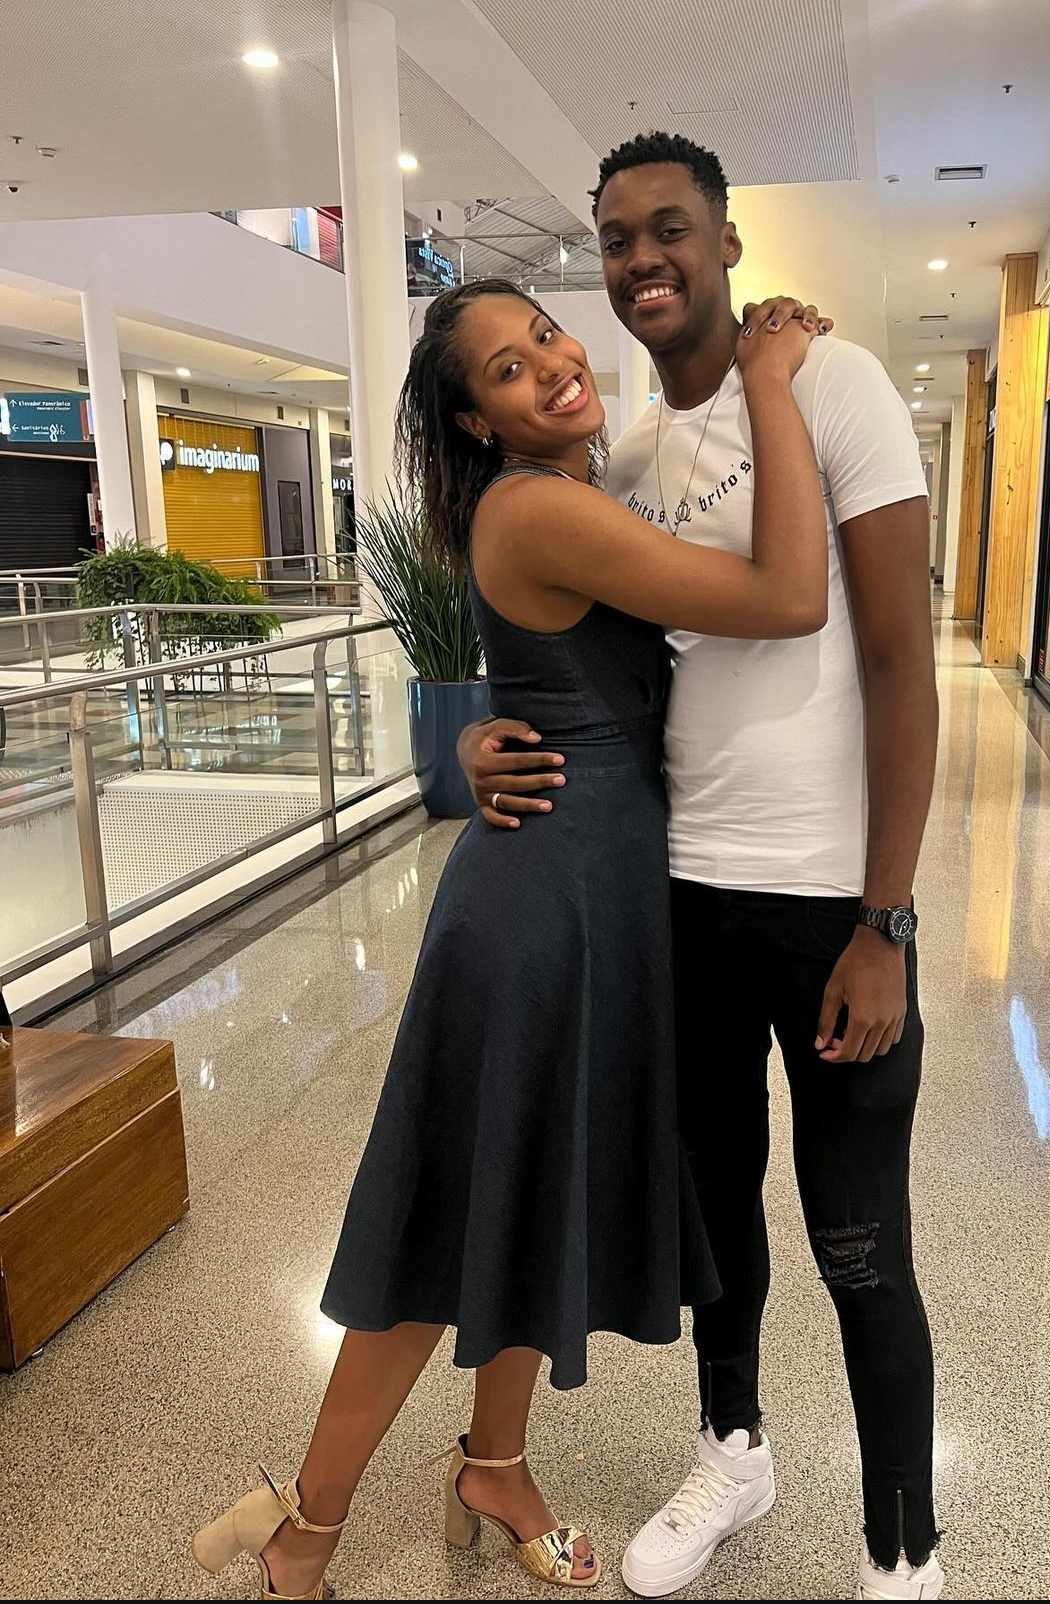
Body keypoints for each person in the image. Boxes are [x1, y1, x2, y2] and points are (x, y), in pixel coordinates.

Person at [190, 277, 832, 1600]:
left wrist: (480, 728)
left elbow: (555, 664)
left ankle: (494, 1464)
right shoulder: (538, 504)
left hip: (591, 900)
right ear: (477, 422)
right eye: (504, 368)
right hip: (542, 913)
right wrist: (769, 382)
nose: (547, 364)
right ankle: (303, 1521)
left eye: (542, 333)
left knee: (531, 1195)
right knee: (447, 1221)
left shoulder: (574, 490)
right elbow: (784, 594)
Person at [458, 133, 942, 1602]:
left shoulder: (833, 385)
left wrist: (886, 918)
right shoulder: (615, 459)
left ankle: (903, 1555)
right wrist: (473, 738)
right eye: (615, 241)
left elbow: (899, 663)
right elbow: (581, 664)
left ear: (726, 242)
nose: (641, 260)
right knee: (716, 1216)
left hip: (829, 905)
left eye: (668, 229)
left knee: (860, 1243)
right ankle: (734, 1453)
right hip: (682, 898)